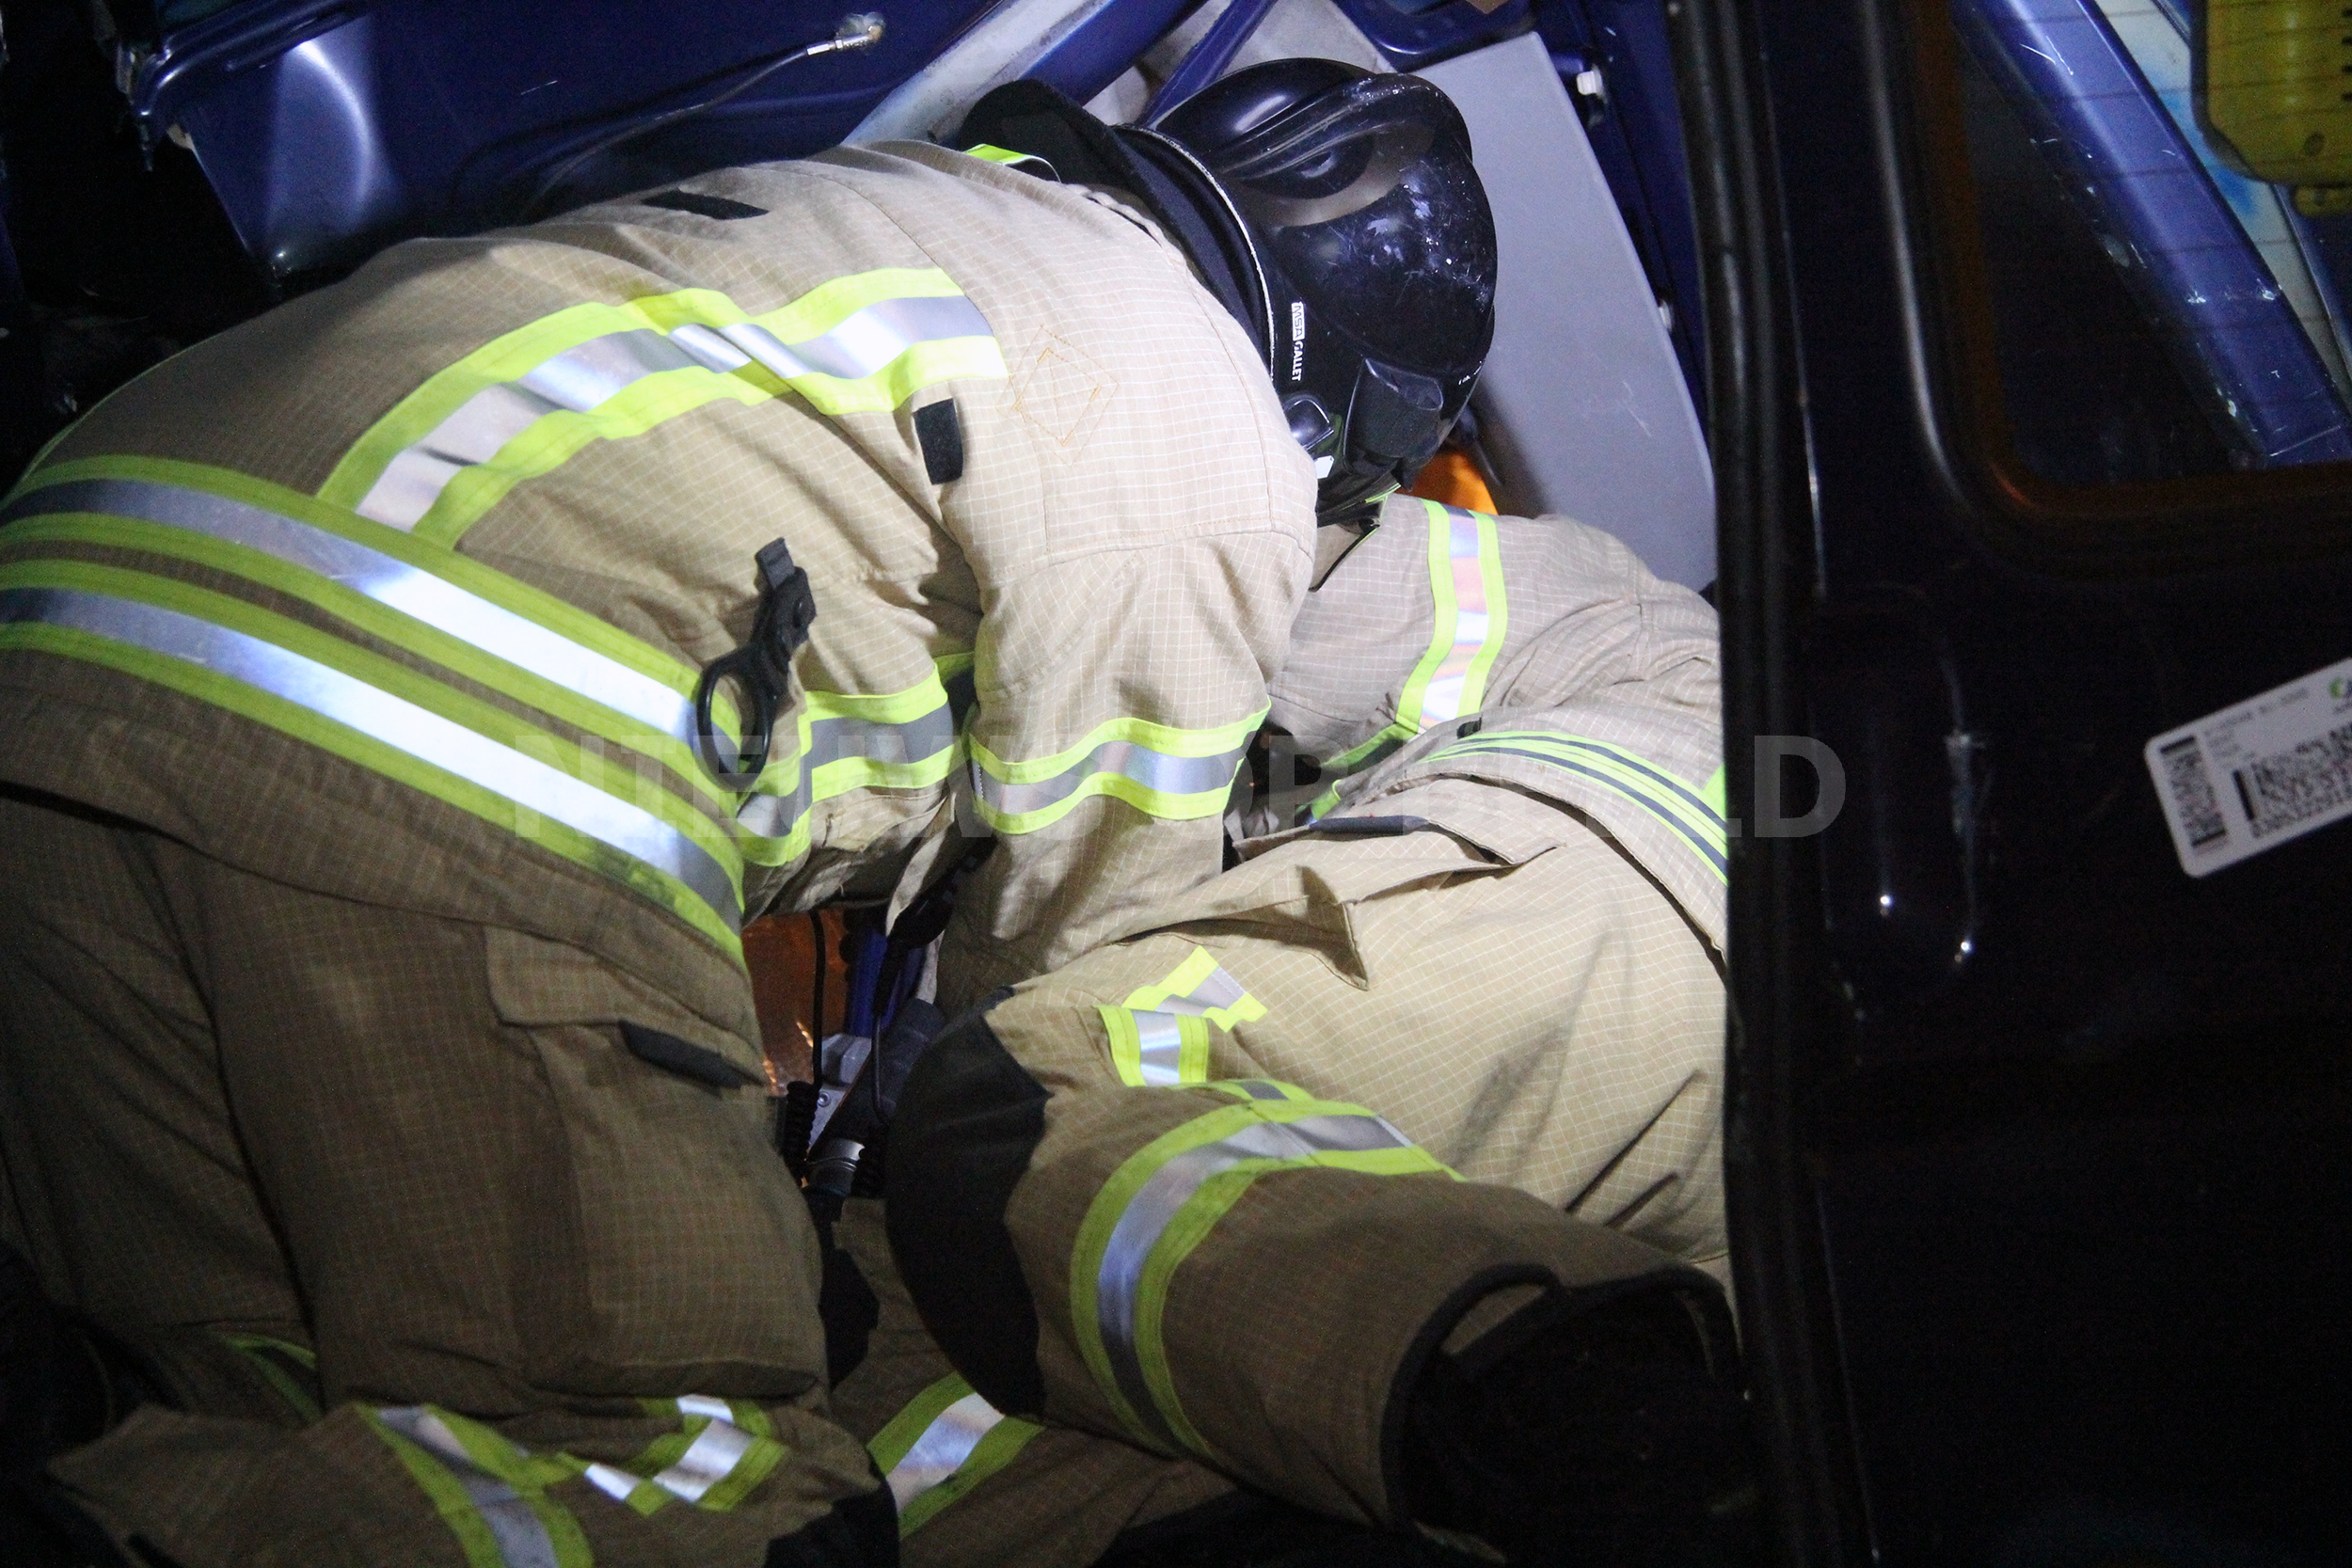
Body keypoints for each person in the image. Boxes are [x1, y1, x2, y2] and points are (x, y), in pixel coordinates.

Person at [0, 59, 1513, 1567]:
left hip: (62, 623)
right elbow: (1067, 993)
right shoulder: (1199, 424)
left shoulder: (897, 206)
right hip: (432, 754)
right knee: (702, 1490)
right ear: (1344, 414)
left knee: (262, 1391)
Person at [830, 478, 1738, 1568]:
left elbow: (1225, 571)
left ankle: (1550, 1412)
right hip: (1740, 1213)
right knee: (972, 1338)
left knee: (1026, 1100)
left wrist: (983, 961)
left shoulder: (1645, 630)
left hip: (1576, 933)